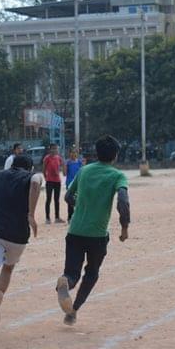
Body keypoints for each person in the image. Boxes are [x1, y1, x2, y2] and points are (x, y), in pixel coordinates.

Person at [55, 136, 131, 326]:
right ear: (115, 155)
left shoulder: (84, 170)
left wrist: (81, 206)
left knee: (72, 272)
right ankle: (73, 311)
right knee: (91, 273)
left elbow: (68, 196)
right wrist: (124, 228)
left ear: (96, 153)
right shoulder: (117, 176)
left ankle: (65, 281)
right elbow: (123, 202)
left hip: (75, 231)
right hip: (97, 235)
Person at [0, 154, 43, 328]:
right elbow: (36, 182)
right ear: (30, 168)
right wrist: (31, 214)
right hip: (18, 235)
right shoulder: (31, 176)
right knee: (7, 269)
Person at [42, 143, 65, 224]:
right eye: (53, 148)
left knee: (57, 200)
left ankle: (57, 217)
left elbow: (62, 167)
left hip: (57, 181)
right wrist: (46, 178)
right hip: (49, 181)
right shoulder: (47, 158)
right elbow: (43, 170)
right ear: (50, 149)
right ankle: (47, 218)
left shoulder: (58, 158)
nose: (55, 150)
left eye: (56, 148)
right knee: (48, 199)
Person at [65, 147, 85, 222]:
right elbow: (64, 173)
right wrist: (64, 165)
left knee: (79, 200)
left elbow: (83, 172)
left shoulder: (79, 162)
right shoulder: (68, 163)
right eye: (72, 152)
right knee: (70, 200)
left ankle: (78, 216)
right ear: (69, 154)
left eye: (75, 152)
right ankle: (70, 217)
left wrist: (83, 165)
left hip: (79, 183)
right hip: (70, 183)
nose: (73, 154)